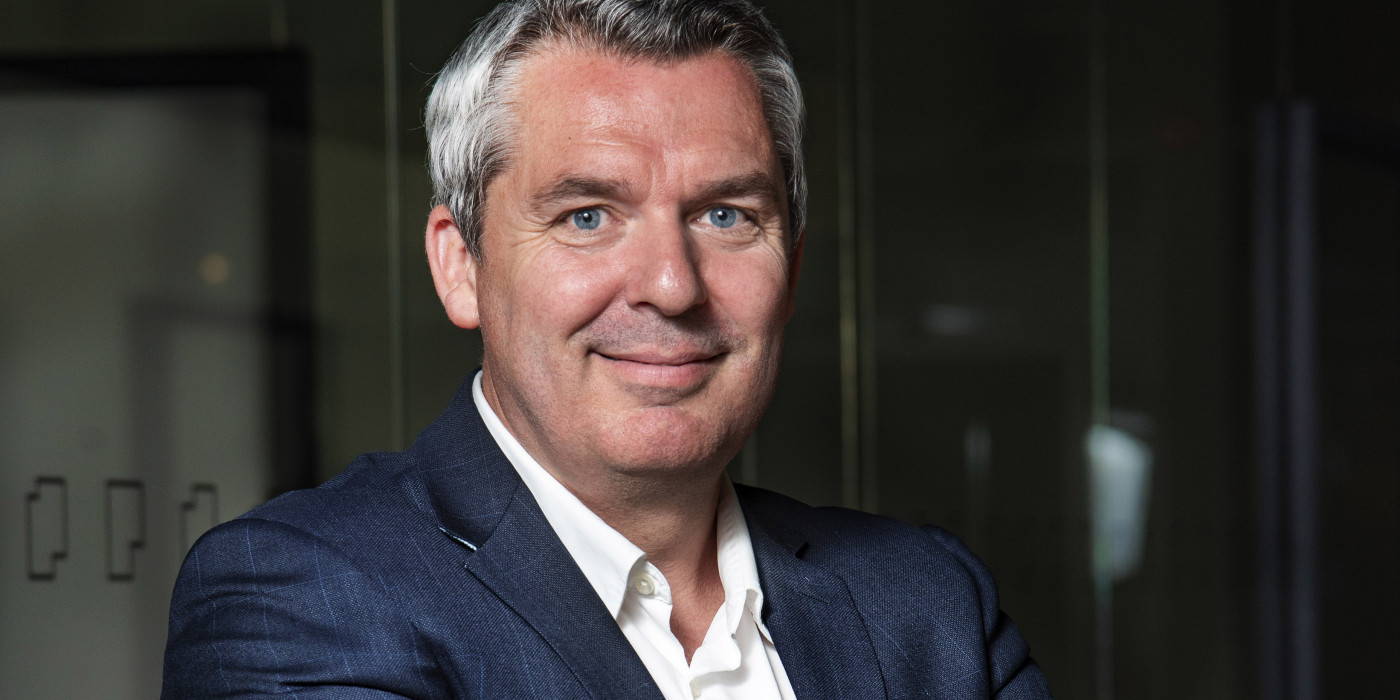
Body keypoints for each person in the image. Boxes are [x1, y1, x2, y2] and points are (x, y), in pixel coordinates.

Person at [161, 1, 1053, 698]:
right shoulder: (299, 596)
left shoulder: (930, 605)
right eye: (587, 216)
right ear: (461, 266)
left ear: (792, 266)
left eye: (726, 215)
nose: (671, 284)